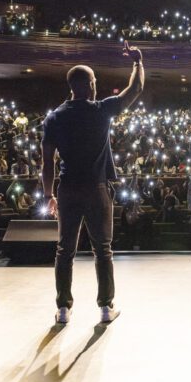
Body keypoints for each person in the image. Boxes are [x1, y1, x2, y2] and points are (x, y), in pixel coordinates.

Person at [41, 40, 145, 326]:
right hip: (97, 188)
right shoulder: (101, 110)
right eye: (95, 81)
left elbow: (46, 161)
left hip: (67, 190)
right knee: (103, 250)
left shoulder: (54, 118)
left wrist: (48, 195)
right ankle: (105, 307)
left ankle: (63, 309)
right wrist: (137, 62)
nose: (96, 85)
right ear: (88, 84)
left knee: (65, 251)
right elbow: (135, 90)